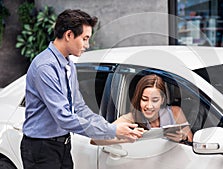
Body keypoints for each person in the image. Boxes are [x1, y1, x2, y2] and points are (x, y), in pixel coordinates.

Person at [20, 9, 143, 169]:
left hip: (62, 145)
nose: (87, 45)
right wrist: (112, 130)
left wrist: (109, 127)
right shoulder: (45, 67)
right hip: (42, 148)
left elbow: (79, 108)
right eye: (85, 39)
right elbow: (64, 117)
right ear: (69, 35)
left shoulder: (68, 64)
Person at [91, 74, 193, 145]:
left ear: (162, 100)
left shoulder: (175, 112)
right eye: (144, 99)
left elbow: (191, 143)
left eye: (155, 100)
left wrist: (182, 138)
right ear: (139, 99)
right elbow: (95, 140)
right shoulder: (130, 118)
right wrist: (126, 138)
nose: (149, 106)